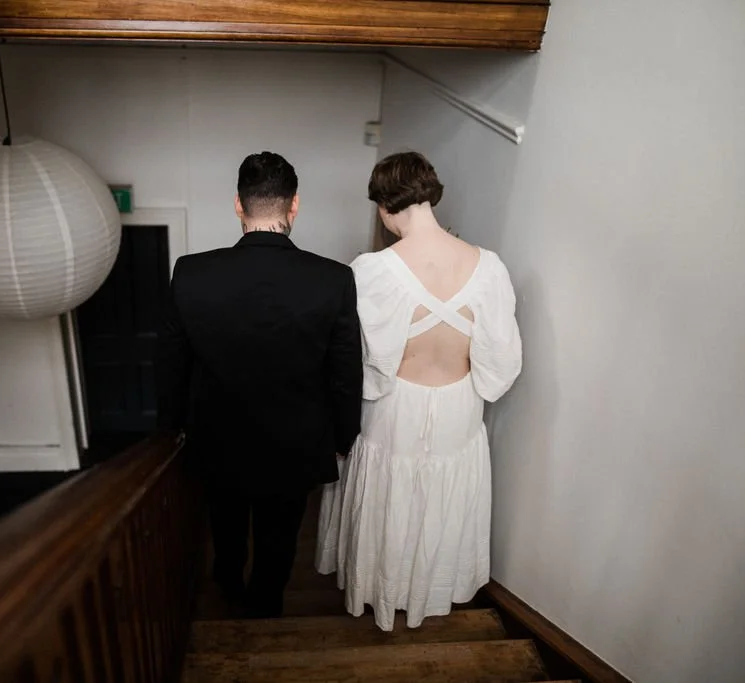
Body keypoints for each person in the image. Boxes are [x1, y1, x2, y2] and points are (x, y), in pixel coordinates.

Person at [316, 152, 522, 631]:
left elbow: (350, 359)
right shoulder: (489, 267)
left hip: (394, 407)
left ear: (385, 206)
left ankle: (379, 593)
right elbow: (501, 362)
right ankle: (430, 592)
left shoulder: (371, 270)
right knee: (438, 505)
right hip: (459, 407)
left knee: (388, 502)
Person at [158, 151, 363, 619]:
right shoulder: (333, 279)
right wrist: (344, 435)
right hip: (295, 442)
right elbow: (345, 369)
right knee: (280, 535)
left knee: (224, 523)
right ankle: (265, 603)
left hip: (216, 437)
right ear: (294, 206)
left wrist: (170, 430)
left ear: (238, 204)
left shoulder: (191, 273)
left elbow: (170, 362)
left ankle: (228, 583)